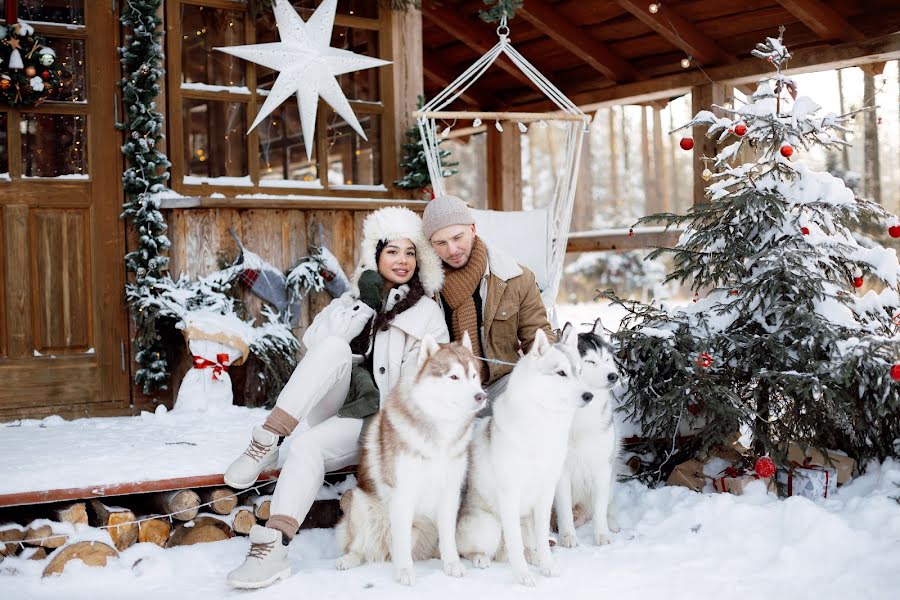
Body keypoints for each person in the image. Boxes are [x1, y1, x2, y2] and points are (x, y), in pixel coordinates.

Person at [224, 207, 448, 589]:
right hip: (343, 406)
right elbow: (313, 347)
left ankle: (273, 544)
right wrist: (365, 305)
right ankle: (267, 440)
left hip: (384, 427)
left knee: (307, 448)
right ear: (375, 256)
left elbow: (425, 385)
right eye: (392, 251)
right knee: (332, 348)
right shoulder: (352, 299)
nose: (402, 260)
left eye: (410, 253)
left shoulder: (428, 314)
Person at [422, 195, 555, 400]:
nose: (452, 250)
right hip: (445, 389)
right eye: (441, 242)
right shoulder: (425, 287)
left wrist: (553, 369)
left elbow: (537, 337)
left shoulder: (515, 278)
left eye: (458, 238)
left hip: (499, 386)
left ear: (473, 230)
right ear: (430, 244)